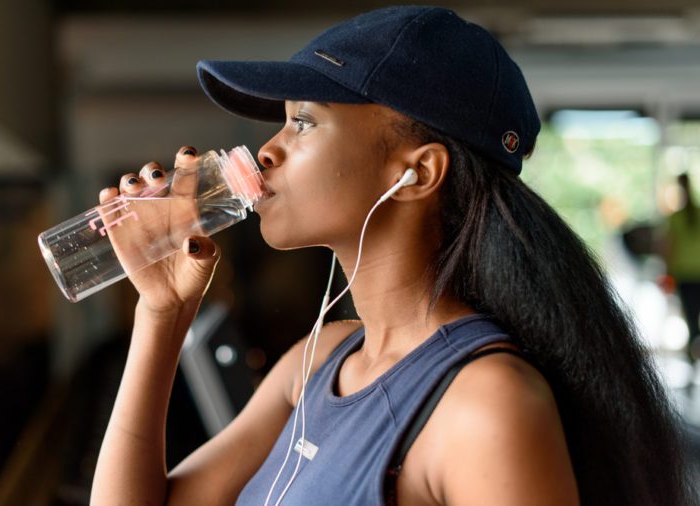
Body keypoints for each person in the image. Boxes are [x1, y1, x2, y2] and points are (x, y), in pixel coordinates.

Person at [90, 6, 697, 505]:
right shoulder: (317, 361)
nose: (264, 151)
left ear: (416, 173)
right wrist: (162, 311)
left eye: (303, 123)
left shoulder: (485, 406)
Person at [664, 173, 700, 361]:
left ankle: (693, 358)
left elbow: (668, 248)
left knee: (692, 319)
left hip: (685, 275)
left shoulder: (675, 218)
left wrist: (667, 272)